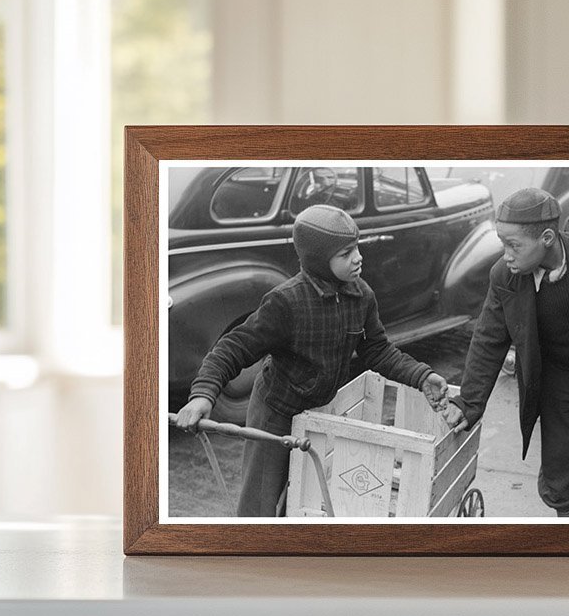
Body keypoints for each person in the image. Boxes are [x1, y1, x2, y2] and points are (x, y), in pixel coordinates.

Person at [174, 203, 450, 516]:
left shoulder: (361, 295)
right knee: (262, 503)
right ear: (319, 259)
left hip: (319, 411)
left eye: (356, 248)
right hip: (275, 412)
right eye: (346, 254)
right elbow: (233, 347)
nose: (358, 258)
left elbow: (378, 350)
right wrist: (202, 395)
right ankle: (252, 555)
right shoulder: (285, 302)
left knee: (306, 494)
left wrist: (421, 376)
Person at [444, 188, 569, 518]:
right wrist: (469, 403)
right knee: (561, 464)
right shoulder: (504, 275)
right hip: (557, 377)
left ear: (547, 237)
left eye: (513, 245)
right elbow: (488, 339)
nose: (506, 255)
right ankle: (567, 535)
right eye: (503, 244)